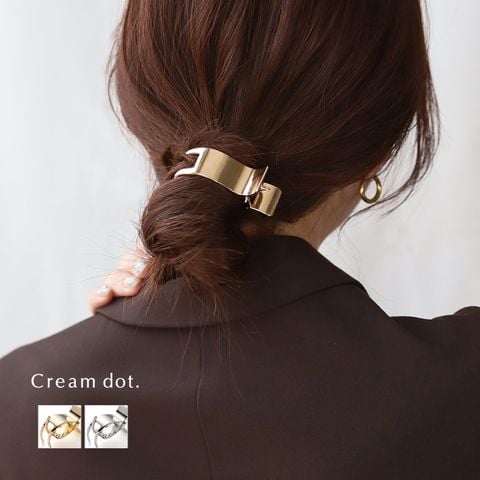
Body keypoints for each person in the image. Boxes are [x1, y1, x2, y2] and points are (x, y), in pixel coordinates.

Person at [1, 1, 479, 478]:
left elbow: (81, 430)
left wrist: (101, 362)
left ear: (142, 112)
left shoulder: (30, 406)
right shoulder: (460, 390)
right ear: (379, 147)